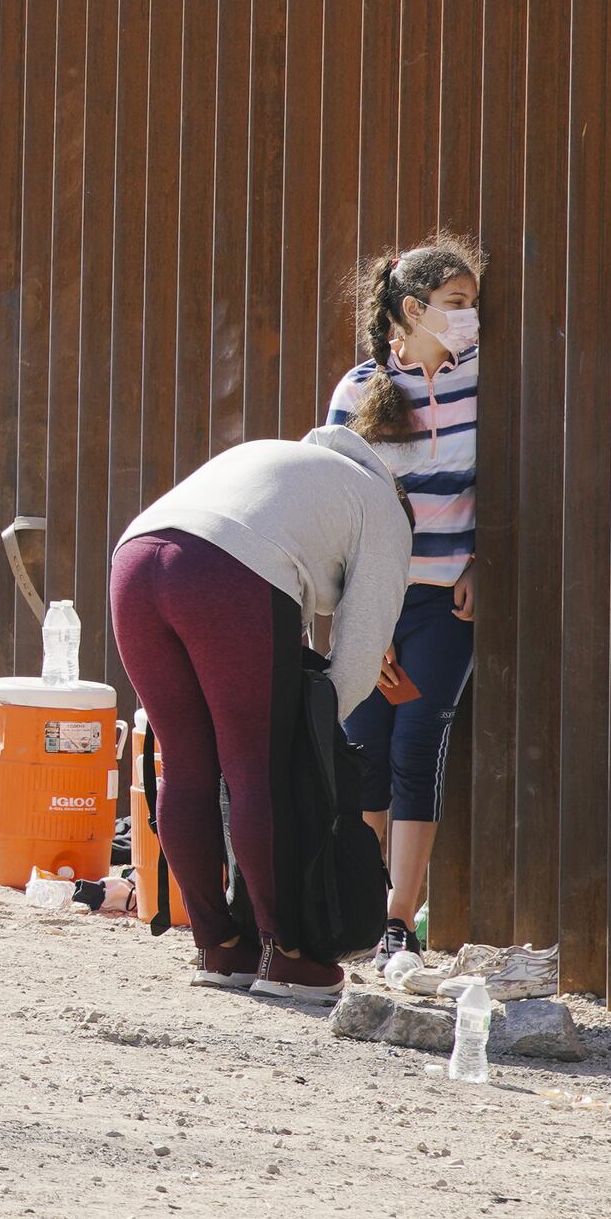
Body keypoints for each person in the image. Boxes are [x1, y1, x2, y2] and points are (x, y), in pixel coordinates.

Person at [108, 422, 414, 994]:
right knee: (257, 770)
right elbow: (357, 656)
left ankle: (219, 948)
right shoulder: (387, 513)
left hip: (134, 559)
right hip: (224, 571)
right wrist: (312, 738)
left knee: (186, 764)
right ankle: (287, 956)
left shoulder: (300, 474)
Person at [327, 232, 488, 947]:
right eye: (455, 304)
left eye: (473, 304)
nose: (469, 318)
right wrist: (365, 616)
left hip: (446, 603)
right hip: (376, 600)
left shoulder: (486, 381)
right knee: (365, 744)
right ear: (413, 309)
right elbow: (336, 503)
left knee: (418, 745)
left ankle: (397, 918)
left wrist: (484, 561)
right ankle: (358, 904)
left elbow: (501, 486)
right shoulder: (358, 390)